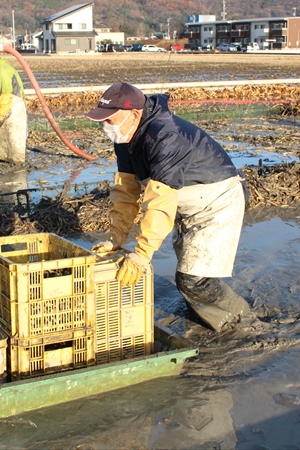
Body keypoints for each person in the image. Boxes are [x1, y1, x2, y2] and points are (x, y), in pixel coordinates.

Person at [86, 83, 249, 332]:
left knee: (194, 280)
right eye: (103, 121)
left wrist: (142, 254)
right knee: (188, 276)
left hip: (216, 202)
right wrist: (115, 238)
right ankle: (209, 320)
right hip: (188, 202)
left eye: (110, 120)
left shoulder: (164, 136)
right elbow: (127, 192)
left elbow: (160, 201)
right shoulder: (125, 138)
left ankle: (242, 321)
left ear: (134, 114)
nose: (106, 127)